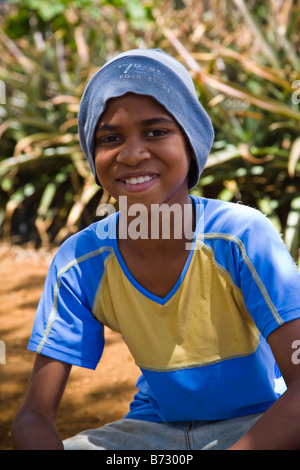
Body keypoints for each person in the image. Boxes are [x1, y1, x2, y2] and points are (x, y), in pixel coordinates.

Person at [11, 49, 300, 450]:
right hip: (151, 436)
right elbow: (33, 417)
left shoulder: (239, 237)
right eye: (110, 138)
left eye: (156, 131)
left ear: (190, 142)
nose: (131, 154)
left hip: (257, 427)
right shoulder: (80, 262)